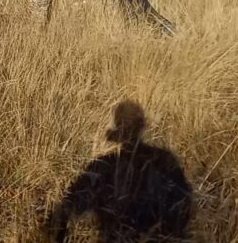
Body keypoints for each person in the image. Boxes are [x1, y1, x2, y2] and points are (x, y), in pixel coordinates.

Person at [47, 101, 192, 242]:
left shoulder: (103, 166)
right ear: (142, 128)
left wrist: (58, 233)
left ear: (117, 132)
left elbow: (65, 211)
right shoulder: (164, 160)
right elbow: (185, 203)